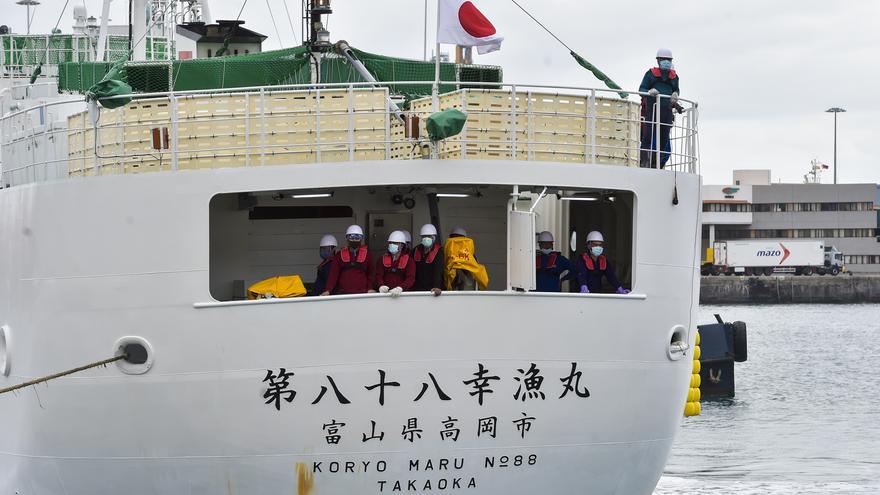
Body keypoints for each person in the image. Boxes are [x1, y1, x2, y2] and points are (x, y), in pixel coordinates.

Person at [639, 48, 680, 169]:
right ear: (658, 60)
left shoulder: (674, 77)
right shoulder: (650, 74)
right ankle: (645, 163)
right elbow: (641, 90)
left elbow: (676, 89)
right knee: (647, 137)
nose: (666, 62)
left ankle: (657, 164)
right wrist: (649, 92)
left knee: (663, 139)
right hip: (652, 110)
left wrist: (676, 94)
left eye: (668, 60)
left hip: (666, 111)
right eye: (664, 59)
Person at [322, 224, 376, 295]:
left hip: (362, 294)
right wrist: (328, 290)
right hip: (343, 294)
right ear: (347, 238)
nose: (354, 240)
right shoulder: (339, 255)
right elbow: (333, 275)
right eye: (351, 237)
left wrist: (370, 288)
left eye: (357, 238)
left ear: (361, 238)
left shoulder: (368, 255)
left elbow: (371, 274)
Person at [376, 230, 416, 296]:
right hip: (385, 295)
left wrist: (401, 288)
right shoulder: (381, 259)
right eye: (391, 243)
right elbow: (378, 275)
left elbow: (411, 278)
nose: (392, 245)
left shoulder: (409, 261)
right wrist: (381, 285)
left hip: (402, 295)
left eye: (396, 243)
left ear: (402, 245)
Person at [412, 223, 444, 295]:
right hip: (417, 289)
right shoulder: (416, 250)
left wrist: (437, 286)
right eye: (424, 236)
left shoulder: (439, 251)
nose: (426, 238)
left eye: (429, 236)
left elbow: (438, 271)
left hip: (432, 290)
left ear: (434, 238)